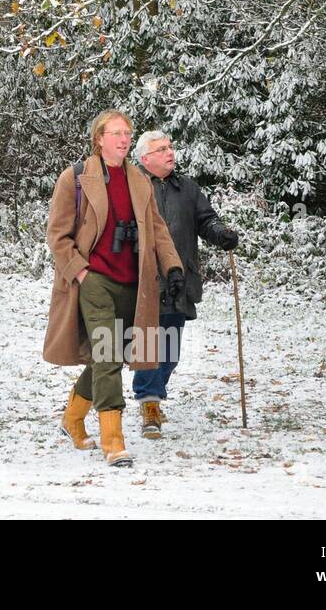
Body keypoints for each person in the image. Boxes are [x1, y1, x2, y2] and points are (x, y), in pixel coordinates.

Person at [43, 109, 184, 467]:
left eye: (127, 133)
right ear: (99, 138)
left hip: (135, 283)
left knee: (115, 356)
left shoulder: (139, 180)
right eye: (116, 132)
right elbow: (57, 237)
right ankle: (113, 440)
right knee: (106, 355)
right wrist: (80, 273)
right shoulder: (74, 178)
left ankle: (73, 418)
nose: (124, 139)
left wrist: (173, 266)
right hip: (94, 280)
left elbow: (158, 229)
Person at [132, 130, 240, 437]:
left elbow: (206, 220)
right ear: (145, 158)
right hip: (144, 278)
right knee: (147, 343)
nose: (170, 152)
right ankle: (149, 402)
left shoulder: (187, 188)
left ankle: (151, 393)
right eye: (162, 149)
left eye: (170, 147)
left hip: (181, 277)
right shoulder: (133, 187)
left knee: (170, 350)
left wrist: (220, 234)